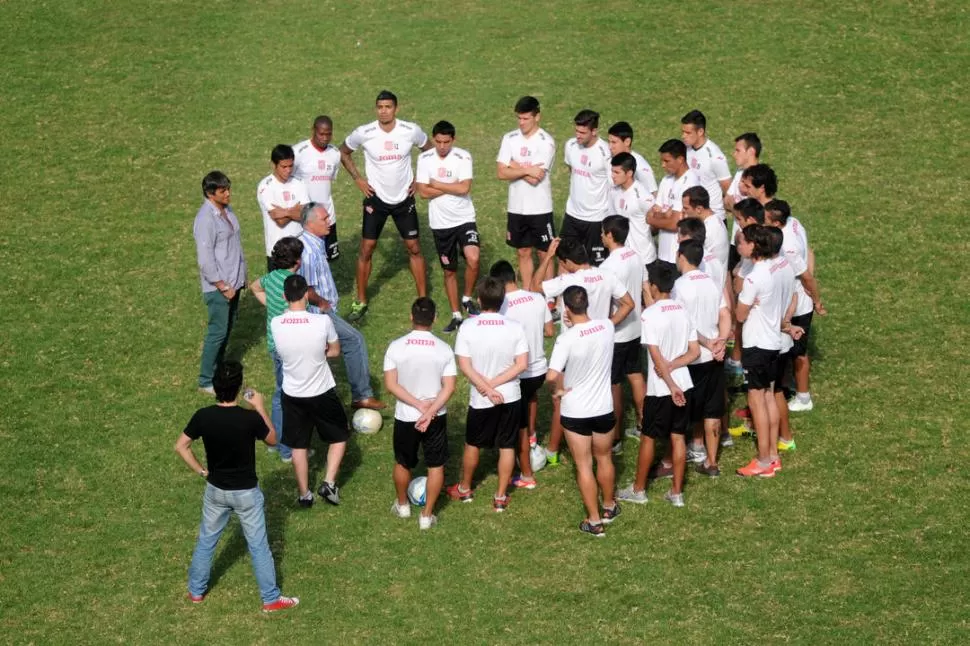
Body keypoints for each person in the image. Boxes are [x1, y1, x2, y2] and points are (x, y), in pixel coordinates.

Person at [175, 360, 299, 613]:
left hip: (215, 491)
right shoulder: (250, 419)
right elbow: (274, 440)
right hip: (246, 495)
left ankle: (196, 591)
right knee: (258, 546)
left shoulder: (203, 416)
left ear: (216, 386)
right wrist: (261, 407)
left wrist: (201, 470)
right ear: (239, 386)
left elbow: (181, 446)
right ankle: (270, 599)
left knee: (206, 541)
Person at [531, 237, 635, 465]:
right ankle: (608, 441)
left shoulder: (569, 280)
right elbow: (629, 303)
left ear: (567, 261)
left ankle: (553, 450)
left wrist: (547, 255)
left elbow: (534, 287)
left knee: (564, 397)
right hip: (600, 344)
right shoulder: (606, 275)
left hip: (574, 346)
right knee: (602, 391)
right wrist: (609, 323)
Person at [340, 90, 433, 320]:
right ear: (376, 109)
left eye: (388, 107)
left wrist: (419, 181)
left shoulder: (410, 130)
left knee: (414, 247)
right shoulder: (365, 132)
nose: (384, 111)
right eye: (380, 107)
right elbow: (343, 152)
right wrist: (358, 179)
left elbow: (429, 150)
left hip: (404, 199)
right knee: (367, 249)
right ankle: (360, 301)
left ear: (396, 109)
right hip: (376, 199)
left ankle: (422, 299)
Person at [618, 262, 699, 507]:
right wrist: (675, 367)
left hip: (661, 390)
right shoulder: (683, 311)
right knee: (677, 438)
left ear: (653, 286)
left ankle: (639, 489)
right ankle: (676, 493)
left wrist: (670, 381)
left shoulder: (650, 315)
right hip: (685, 384)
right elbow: (694, 352)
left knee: (648, 438)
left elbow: (656, 358)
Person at [448, 277, 529, 512]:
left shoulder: (467, 327)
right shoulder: (515, 327)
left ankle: (464, 489)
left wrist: (486, 388)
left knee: (472, 443)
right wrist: (495, 385)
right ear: (502, 300)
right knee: (506, 445)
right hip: (510, 396)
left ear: (479, 300)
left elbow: (465, 366)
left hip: (481, 398)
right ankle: (500, 497)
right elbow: (521, 364)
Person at [297, 203, 385, 411]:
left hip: (324, 310)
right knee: (354, 340)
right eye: (324, 219)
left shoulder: (316, 243)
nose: (329, 222)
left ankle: (312, 399)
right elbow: (306, 289)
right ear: (310, 224)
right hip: (319, 312)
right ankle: (362, 395)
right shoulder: (307, 251)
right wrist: (323, 303)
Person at [546, 286, 618, 537]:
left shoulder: (566, 339)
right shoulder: (607, 327)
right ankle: (609, 506)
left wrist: (558, 390)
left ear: (566, 308)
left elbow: (552, 374)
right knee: (605, 457)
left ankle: (594, 520)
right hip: (603, 407)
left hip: (576, 411)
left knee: (584, 465)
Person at [272, 274, 348, 507]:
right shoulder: (322, 322)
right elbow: (335, 351)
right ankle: (329, 482)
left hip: (292, 393)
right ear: (306, 294)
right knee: (339, 436)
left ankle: (304, 494)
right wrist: (320, 353)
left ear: (284, 297)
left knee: (298, 445)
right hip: (321, 390)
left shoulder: (276, 323)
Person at [383, 298, 457, 530]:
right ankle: (426, 516)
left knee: (403, 462)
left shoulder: (395, 346)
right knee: (435, 465)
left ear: (411, 316)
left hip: (406, 415)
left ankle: (403, 505)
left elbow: (391, 385)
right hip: (435, 417)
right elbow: (449, 387)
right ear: (435, 318)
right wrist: (430, 410)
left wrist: (417, 406)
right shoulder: (444, 349)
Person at [734, 225, 793, 477]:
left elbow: (739, 314)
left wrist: (746, 303)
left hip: (757, 344)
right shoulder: (779, 267)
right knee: (768, 397)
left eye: (743, 242)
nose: (739, 246)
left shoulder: (754, 277)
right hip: (774, 343)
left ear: (754, 246)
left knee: (756, 401)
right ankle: (773, 456)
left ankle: (763, 459)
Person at [490, 260, 554, 490]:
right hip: (538, 369)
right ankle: (534, 435)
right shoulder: (537, 298)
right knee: (531, 399)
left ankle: (526, 472)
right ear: (515, 276)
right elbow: (549, 331)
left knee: (519, 425)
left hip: (517, 372)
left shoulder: (502, 306)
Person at [415, 120, 481, 332]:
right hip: (441, 224)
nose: (442, 146)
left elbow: (465, 188)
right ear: (434, 139)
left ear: (453, 140)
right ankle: (456, 314)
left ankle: (467, 297)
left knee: (473, 257)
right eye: (439, 142)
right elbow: (423, 193)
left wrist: (436, 184)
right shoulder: (424, 158)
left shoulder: (463, 156)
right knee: (449, 270)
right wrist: (450, 187)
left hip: (464, 218)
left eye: (446, 142)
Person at [672, 240, 731, 476]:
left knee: (688, 408)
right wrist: (721, 341)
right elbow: (724, 313)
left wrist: (707, 342)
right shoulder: (712, 283)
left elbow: (681, 324)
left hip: (691, 356)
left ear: (681, 257)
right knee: (712, 409)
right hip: (714, 357)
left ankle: (689, 449)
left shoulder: (679, 286)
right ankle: (712, 461)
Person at [765, 200, 826, 413]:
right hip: (797, 299)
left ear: (776, 222)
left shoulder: (787, 246)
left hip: (799, 305)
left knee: (799, 353)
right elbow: (810, 252)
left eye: (766, 219)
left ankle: (803, 397)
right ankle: (789, 385)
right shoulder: (795, 223)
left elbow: (806, 277)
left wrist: (817, 301)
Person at [250, 236, 304, 463]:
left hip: (275, 345)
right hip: (293, 346)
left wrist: (270, 304)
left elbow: (254, 286)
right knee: (290, 396)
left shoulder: (271, 278)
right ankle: (286, 449)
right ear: (297, 261)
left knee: (280, 392)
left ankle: (279, 441)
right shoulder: (294, 283)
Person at [194, 171, 247, 394]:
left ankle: (218, 368)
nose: (228, 193)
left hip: (234, 283)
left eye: (228, 188)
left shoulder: (226, 210)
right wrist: (222, 285)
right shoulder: (205, 219)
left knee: (227, 328)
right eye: (223, 190)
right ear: (210, 193)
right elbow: (205, 260)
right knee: (217, 331)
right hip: (220, 287)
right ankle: (206, 379)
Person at [496, 96, 557, 291]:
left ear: (537, 117)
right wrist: (526, 168)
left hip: (540, 207)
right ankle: (529, 292)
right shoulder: (509, 138)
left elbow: (535, 178)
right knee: (523, 251)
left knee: (543, 253)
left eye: (525, 119)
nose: (521, 123)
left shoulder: (546, 142)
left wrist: (513, 164)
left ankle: (549, 299)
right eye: (519, 119)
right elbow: (500, 172)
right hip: (517, 207)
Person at [599, 216, 648, 450]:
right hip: (636, 327)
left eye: (602, 233)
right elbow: (644, 287)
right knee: (636, 374)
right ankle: (643, 424)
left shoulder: (608, 267)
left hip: (618, 332)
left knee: (614, 384)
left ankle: (616, 437)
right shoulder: (635, 255)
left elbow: (607, 302)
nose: (600, 236)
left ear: (610, 235)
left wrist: (606, 324)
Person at [561, 109, 613, 265]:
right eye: (576, 131)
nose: (578, 135)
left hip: (596, 218)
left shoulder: (605, 153)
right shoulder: (570, 145)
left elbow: (613, 184)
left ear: (594, 131)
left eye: (583, 133)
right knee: (565, 259)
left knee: (595, 264)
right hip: (572, 214)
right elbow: (572, 169)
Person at [293, 116, 341, 260]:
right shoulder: (298, 152)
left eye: (328, 134)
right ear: (313, 130)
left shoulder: (335, 154)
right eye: (321, 133)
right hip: (306, 219)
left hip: (328, 217)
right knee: (305, 259)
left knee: (327, 260)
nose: (325, 138)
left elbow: (329, 179)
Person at [257, 145, 308, 271]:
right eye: (284, 167)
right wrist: (295, 209)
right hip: (278, 251)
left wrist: (285, 212)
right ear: (273, 165)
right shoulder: (266, 187)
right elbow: (280, 221)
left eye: (291, 166)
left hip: (299, 249)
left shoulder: (299, 183)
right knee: (279, 290)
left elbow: (306, 215)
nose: (288, 170)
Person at [649, 139, 701, 263]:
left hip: (678, 257)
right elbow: (653, 211)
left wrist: (653, 219)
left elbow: (675, 224)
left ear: (680, 159)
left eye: (667, 161)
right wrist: (664, 215)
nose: (662, 165)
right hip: (662, 254)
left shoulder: (690, 183)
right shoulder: (666, 180)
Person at [681, 110, 732, 220]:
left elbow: (728, 190)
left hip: (712, 218)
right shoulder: (685, 151)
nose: (683, 136)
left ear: (700, 131)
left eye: (688, 133)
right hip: (692, 216)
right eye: (683, 132)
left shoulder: (715, 156)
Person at [609, 152, 657, 266]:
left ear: (629, 173)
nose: (612, 175)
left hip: (643, 259)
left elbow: (656, 223)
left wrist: (643, 234)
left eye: (617, 172)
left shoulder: (643, 196)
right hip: (623, 258)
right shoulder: (614, 191)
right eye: (612, 171)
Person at [725, 132, 762, 250]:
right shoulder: (740, 173)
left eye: (738, 150)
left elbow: (753, 215)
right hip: (735, 241)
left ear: (751, 151)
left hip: (751, 242)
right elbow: (726, 201)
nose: (734, 154)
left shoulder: (761, 178)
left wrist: (733, 207)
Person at [606, 121, 658, 196]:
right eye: (609, 142)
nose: (610, 147)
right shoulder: (610, 160)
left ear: (627, 142)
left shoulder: (641, 168)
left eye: (614, 142)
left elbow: (652, 196)